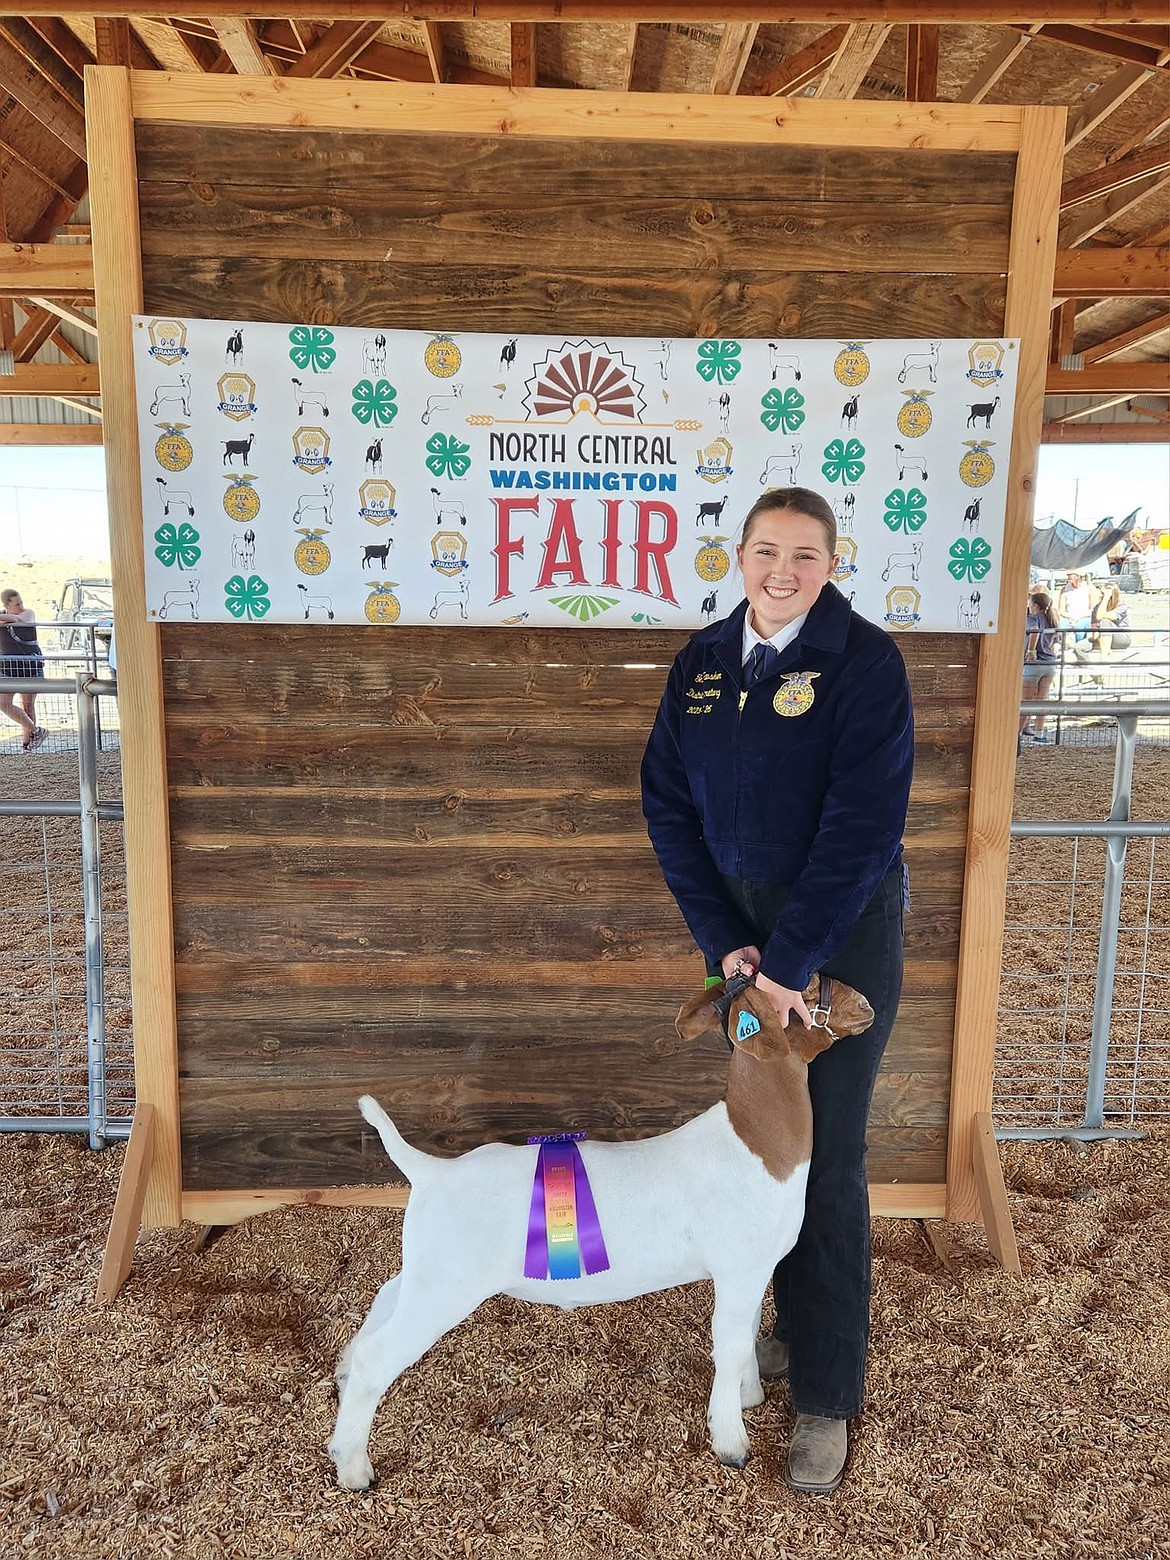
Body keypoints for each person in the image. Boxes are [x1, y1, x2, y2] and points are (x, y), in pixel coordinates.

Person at [640, 486, 914, 1495]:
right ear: (739, 556)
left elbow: (861, 829)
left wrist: (793, 963)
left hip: (839, 934)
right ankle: (785, 1329)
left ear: (830, 564)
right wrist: (729, 950)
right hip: (747, 947)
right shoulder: (703, 664)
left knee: (825, 1156)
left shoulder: (865, 664)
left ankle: (827, 1392)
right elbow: (668, 805)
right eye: (766, 551)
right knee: (766, 1155)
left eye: (804, 554)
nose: (783, 571)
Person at [0, 588, 47, 751]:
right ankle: (36, 731)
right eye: (17, 604)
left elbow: (19, 619)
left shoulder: (28, 613)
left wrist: (10, 617)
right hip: (9, 668)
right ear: (7, 605)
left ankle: (27, 745)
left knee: (27, 705)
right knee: (3, 703)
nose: (21, 606)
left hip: (30, 667)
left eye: (21, 602)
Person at [1020, 589, 1060, 743]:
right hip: (1049, 663)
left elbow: (1034, 631)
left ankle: (1016, 736)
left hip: (1034, 664)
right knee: (1042, 700)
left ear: (1035, 605)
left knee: (1026, 702)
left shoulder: (1033, 619)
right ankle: (1039, 734)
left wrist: (1030, 651)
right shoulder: (1052, 619)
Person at [1084, 579, 1131, 655]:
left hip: (1121, 638)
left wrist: (1106, 597)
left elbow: (1100, 617)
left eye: (1103, 593)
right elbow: (1094, 631)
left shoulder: (1121, 606)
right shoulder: (1097, 608)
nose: (1101, 595)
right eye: (1101, 593)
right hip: (1101, 637)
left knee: (1105, 621)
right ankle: (1082, 665)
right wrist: (1102, 642)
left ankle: (1104, 658)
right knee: (1079, 647)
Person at [1055, 570, 1097, 644]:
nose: (1068, 577)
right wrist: (1070, 617)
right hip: (1069, 617)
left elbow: (1092, 608)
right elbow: (1061, 610)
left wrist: (1078, 617)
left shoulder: (1089, 588)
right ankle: (1062, 646)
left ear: (1077, 576)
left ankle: (1078, 646)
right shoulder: (1064, 589)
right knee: (1060, 626)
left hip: (1085, 616)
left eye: (1070, 575)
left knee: (1079, 627)